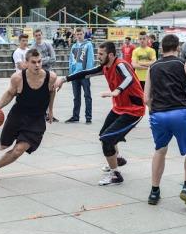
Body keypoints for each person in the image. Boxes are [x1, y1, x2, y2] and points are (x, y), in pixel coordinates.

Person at [56, 41, 145, 185]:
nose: (98, 56)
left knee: (106, 139)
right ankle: (118, 159)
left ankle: (116, 174)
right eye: (98, 54)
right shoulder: (104, 67)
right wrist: (65, 79)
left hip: (134, 110)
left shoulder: (121, 65)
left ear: (110, 55)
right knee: (104, 133)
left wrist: (117, 90)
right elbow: (86, 73)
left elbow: (128, 77)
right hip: (119, 108)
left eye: (101, 54)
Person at [145, 34, 186, 209]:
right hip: (180, 112)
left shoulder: (152, 67)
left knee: (160, 150)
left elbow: (146, 98)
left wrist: (154, 113)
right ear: (178, 48)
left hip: (158, 115)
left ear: (161, 49)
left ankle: (154, 191)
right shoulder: (185, 64)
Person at [0, 49, 57, 183]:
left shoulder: (51, 77)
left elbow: (52, 92)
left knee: (19, 150)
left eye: (39, 62)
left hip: (36, 119)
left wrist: (51, 110)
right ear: (26, 63)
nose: (37, 65)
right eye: (33, 62)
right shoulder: (17, 78)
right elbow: (9, 93)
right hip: (18, 116)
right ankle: (3, 147)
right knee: (3, 146)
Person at [65, 27, 95, 124]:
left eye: (80, 34)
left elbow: (90, 59)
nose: (79, 36)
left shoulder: (88, 45)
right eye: (77, 34)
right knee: (76, 96)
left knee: (87, 96)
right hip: (75, 75)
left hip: (84, 75)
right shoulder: (74, 46)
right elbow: (71, 60)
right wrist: (71, 73)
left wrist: (88, 72)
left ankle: (88, 117)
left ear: (84, 34)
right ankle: (75, 116)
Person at [31, 29, 59, 122]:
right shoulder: (33, 48)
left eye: (39, 35)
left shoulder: (47, 45)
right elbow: (34, 62)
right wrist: (45, 60)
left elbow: (53, 58)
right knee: (40, 94)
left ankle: (49, 113)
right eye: (36, 35)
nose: (38, 36)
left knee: (51, 92)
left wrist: (42, 61)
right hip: (39, 74)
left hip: (49, 72)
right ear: (34, 36)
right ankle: (41, 113)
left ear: (42, 35)